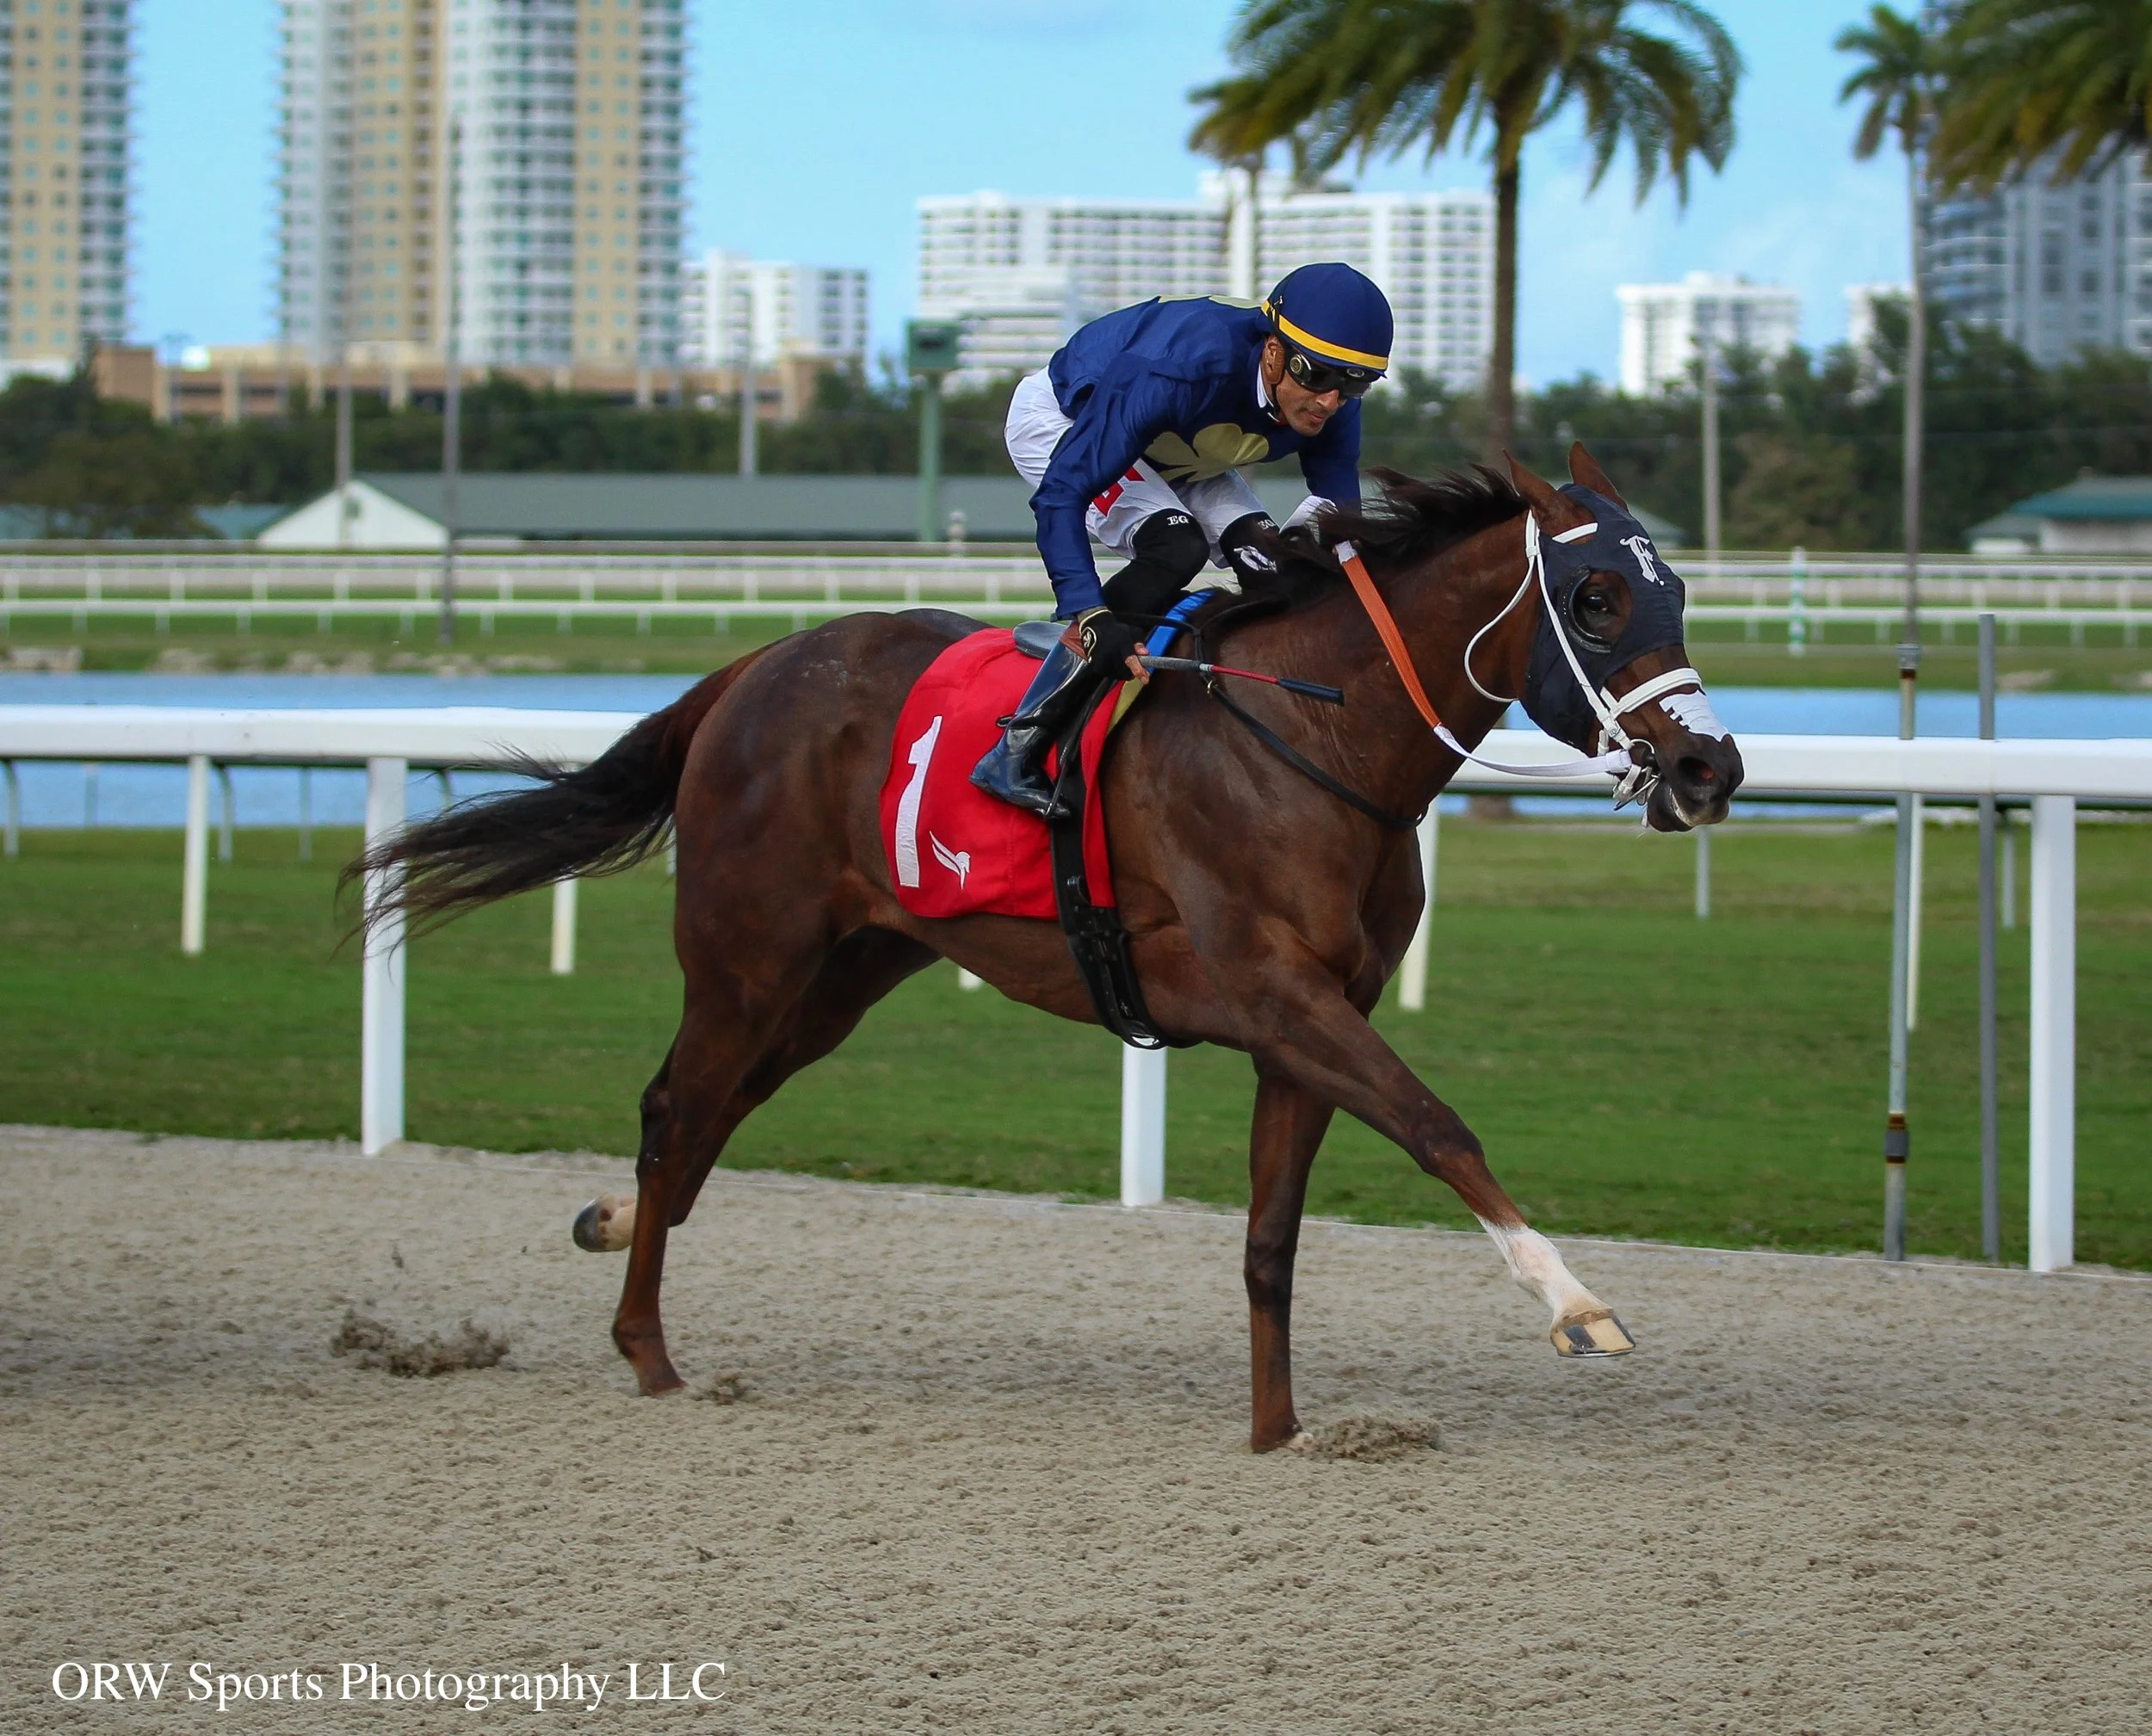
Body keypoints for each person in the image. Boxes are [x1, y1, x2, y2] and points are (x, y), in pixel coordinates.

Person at [970, 262, 1395, 815]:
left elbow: (1339, 516)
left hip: (1182, 448)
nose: (1330, 401)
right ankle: (1018, 747)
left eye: (1354, 383)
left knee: (1276, 570)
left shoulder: (1333, 401)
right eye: (1316, 375)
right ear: (1272, 350)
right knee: (1178, 544)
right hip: (1065, 420)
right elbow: (1060, 496)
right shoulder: (1178, 369)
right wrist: (1088, 612)